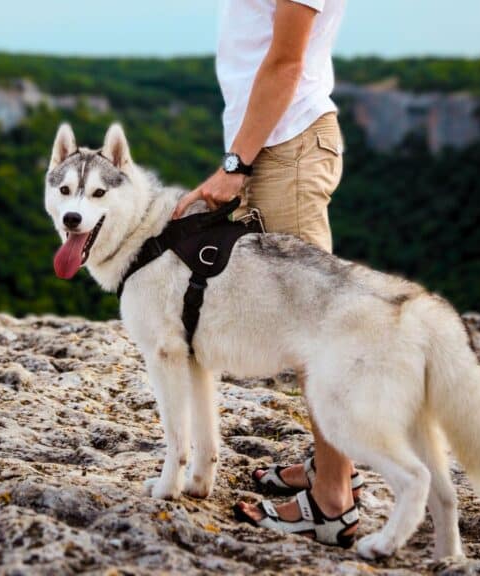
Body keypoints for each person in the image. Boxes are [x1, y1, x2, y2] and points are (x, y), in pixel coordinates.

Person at [172, 0, 356, 546]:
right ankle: (330, 466)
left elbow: (284, 63)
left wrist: (235, 166)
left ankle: (332, 503)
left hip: (287, 146)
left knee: (318, 330)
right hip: (276, 143)